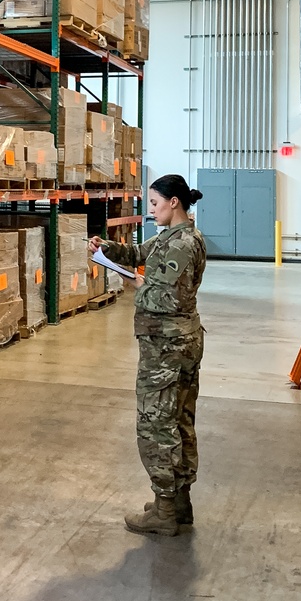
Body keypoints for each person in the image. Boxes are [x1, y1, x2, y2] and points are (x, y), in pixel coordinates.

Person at [89, 173, 207, 538]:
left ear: (174, 203)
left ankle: (165, 510)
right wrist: (106, 248)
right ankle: (178, 502)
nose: (151, 210)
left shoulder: (182, 245)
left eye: (155, 204)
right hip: (180, 342)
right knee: (179, 419)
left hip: (166, 348)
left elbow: (166, 299)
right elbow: (140, 253)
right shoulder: (176, 237)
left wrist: (136, 286)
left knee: (156, 425)